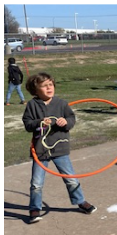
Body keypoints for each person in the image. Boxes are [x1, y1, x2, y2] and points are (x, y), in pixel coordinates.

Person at [22, 72, 97, 224]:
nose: (49, 88)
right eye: (44, 86)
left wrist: (66, 122)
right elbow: (27, 124)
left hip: (60, 149)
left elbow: (71, 119)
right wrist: (39, 122)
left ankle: (80, 201)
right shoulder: (31, 105)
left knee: (71, 179)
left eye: (50, 84)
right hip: (40, 151)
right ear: (36, 90)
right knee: (36, 183)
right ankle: (35, 208)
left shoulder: (62, 103)